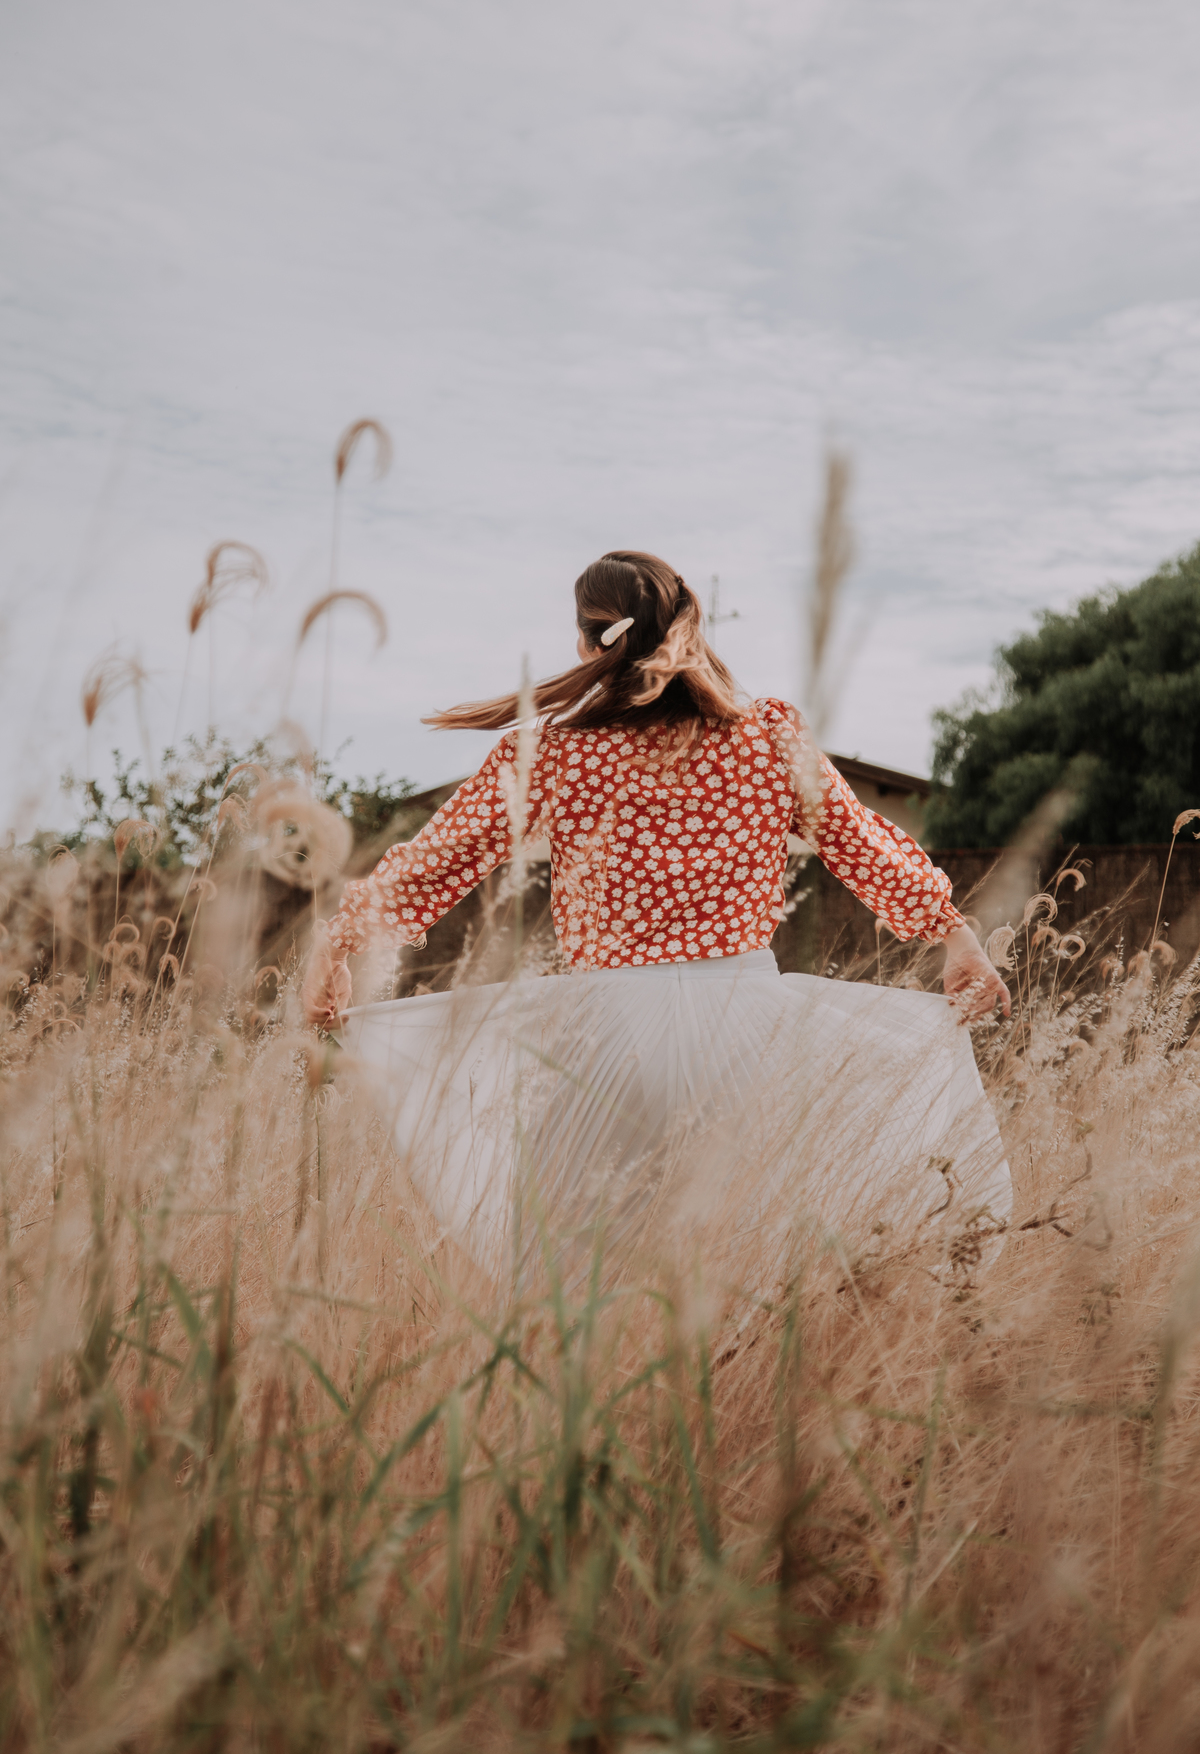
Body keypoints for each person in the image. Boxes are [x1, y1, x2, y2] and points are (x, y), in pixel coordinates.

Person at [304, 551, 1011, 1290]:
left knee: (568, 1273)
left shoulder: (550, 756)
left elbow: (437, 861)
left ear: (588, 644)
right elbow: (860, 842)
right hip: (748, 1036)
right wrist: (953, 934)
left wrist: (339, 941)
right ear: (690, 631)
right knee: (747, 1269)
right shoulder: (769, 738)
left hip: (604, 1039)